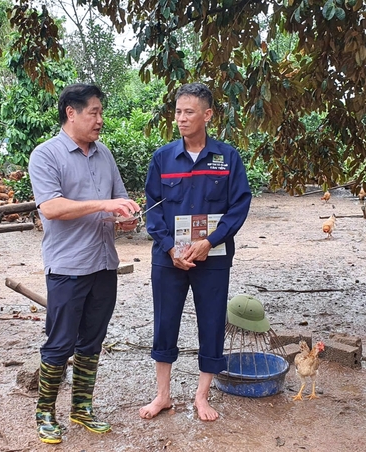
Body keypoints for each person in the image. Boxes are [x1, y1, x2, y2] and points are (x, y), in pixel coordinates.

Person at [28, 83, 140, 444]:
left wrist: (125, 215)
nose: (100, 119)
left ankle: (81, 407)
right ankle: (45, 411)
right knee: (60, 341)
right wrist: (103, 205)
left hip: (104, 263)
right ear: (71, 113)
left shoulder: (104, 154)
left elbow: (118, 198)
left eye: (101, 112)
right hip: (67, 267)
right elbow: (51, 208)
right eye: (93, 112)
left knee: (92, 340)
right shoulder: (45, 155)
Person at [140, 82, 252, 421]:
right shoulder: (163, 159)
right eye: (178, 111)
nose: (181, 118)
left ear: (207, 115)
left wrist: (210, 241)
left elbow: (239, 206)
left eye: (189, 112)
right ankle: (162, 396)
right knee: (165, 322)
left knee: (212, 321)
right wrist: (171, 247)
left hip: (212, 258)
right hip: (168, 258)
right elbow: (152, 209)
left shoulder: (226, 158)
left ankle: (202, 396)